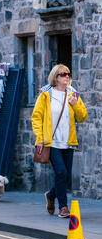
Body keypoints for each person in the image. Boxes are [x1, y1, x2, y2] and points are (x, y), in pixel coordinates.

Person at [31, 64, 88, 218]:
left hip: (68, 141)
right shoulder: (45, 94)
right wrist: (40, 139)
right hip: (52, 142)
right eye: (63, 74)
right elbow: (37, 117)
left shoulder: (73, 94)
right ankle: (63, 207)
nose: (67, 76)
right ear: (56, 77)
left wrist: (76, 106)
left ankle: (50, 195)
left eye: (68, 74)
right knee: (61, 172)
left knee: (65, 175)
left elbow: (83, 117)